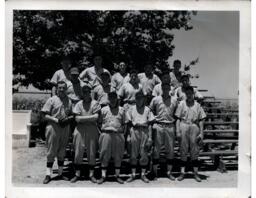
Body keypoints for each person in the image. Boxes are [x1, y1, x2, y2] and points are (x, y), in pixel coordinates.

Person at [41, 81, 73, 184]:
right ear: (57, 89)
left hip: (65, 128)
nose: (62, 90)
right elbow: (44, 115)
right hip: (53, 127)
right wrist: (56, 120)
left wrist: (68, 119)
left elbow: (72, 114)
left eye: (64, 88)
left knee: (62, 151)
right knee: (51, 151)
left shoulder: (69, 101)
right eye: (60, 88)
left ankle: (60, 174)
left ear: (66, 89)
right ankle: (48, 174)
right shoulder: (52, 100)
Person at [70, 83, 101, 183]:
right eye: (84, 92)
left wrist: (83, 118)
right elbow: (77, 119)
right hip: (80, 129)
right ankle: (77, 174)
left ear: (90, 92)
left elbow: (96, 117)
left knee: (92, 152)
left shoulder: (95, 103)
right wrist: (90, 118)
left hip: (92, 129)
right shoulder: (79, 104)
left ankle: (91, 174)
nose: (86, 93)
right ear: (82, 93)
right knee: (78, 152)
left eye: (88, 91)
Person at [175, 86, 206, 182]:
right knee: (183, 150)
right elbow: (178, 119)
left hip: (194, 126)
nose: (189, 95)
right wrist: (177, 131)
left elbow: (201, 120)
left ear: (193, 94)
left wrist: (201, 133)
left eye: (190, 93)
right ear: (185, 94)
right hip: (183, 125)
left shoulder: (197, 105)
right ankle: (182, 173)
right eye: (187, 93)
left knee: (195, 151)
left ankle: (195, 173)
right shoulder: (181, 104)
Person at [149, 83, 178, 180]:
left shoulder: (174, 100)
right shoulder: (156, 99)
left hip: (170, 126)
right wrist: (154, 122)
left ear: (169, 89)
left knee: (170, 150)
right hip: (159, 125)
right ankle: (155, 172)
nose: (165, 89)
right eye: (164, 88)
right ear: (161, 88)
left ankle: (169, 172)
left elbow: (177, 114)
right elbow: (150, 111)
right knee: (156, 150)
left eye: (167, 88)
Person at [126, 91, 155, 183]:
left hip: (144, 131)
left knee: (144, 153)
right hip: (134, 131)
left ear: (143, 99)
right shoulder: (131, 109)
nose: (139, 100)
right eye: (137, 98)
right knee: (133, 154)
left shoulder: (147, 109)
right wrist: (128, 136)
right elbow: (129, 123)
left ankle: (143, 174)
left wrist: (150, 137)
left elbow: (150, 124)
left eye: (141, 98)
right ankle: (133, 174)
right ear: (135, 99)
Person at [97, 92, 126, 184]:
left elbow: (125, 124)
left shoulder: (122, 110)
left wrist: (122, 134)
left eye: (114, 98)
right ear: (108, 100)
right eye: (111, 98)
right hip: (106, 134)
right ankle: (103, 176)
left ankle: (117, 176)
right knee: (104, 154)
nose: (112, 100)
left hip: (118, 134)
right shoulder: (103, 110)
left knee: (118, 155)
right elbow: (98, 123)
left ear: (117, 99)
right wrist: (102, 133)